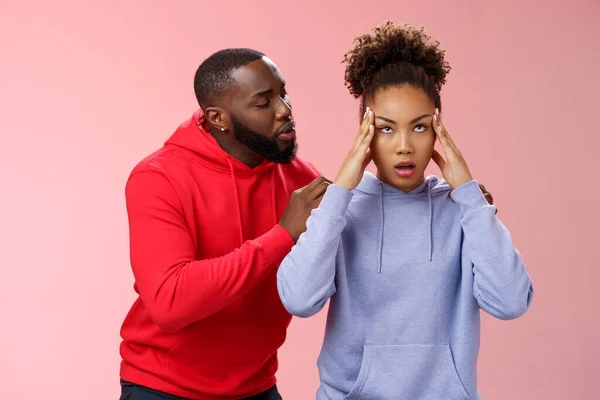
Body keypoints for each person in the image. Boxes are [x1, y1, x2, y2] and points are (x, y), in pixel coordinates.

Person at [276, 22, 534, 400]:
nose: (403, 146)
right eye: (385, 129)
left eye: (419, 128)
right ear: (363, 132)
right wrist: (341, 193)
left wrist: (468, 195)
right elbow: (299, 299)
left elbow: (511, 302)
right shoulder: (338, 210)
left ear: (438, 130)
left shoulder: (463, 209)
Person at [118, 48, 330, 400]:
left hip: (257, 386)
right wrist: (282, 235)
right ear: (219, 118)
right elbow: (169, 302)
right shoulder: (158, 178)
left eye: (283, 92)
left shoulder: (301, 180)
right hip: (163, 389)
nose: (285, 110)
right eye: (264, 103)